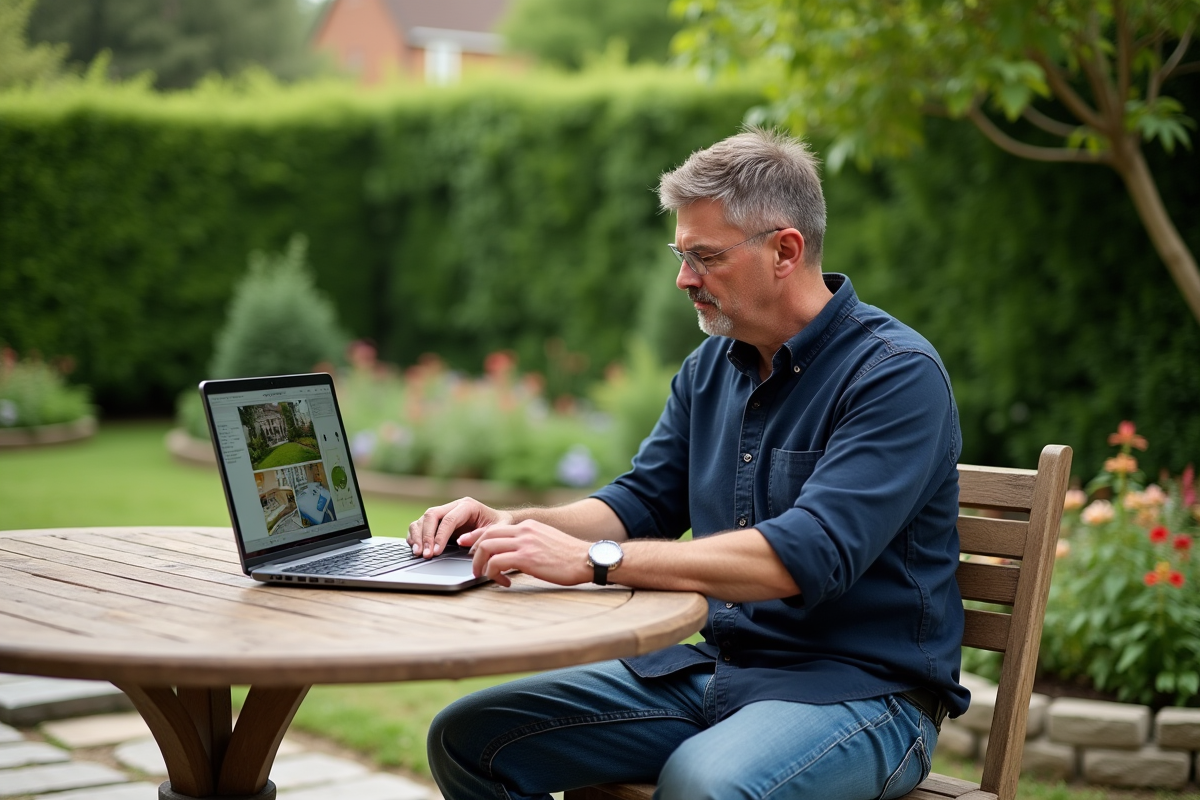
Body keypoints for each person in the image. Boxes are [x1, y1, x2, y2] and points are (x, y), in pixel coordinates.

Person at [409, 127, 970, 800]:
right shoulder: (712, 368)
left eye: (704, 256)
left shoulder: (895, 376)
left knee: (703, 787)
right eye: (680, 255)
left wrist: (597, 562)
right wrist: (510, 524)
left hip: (863, 696)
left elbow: (804, 555)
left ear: (785, 251)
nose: (683, 278)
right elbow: (638, 503)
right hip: (720, 673)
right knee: (470, 737)